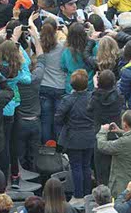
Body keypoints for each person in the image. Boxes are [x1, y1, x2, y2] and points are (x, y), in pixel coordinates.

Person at [55, 70, 94, 207]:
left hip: (73, 138)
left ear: (72, 85)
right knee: (86, 166)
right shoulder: (92, 98)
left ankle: (78, 195)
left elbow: (58, 118)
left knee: (76, 167)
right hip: (89, 136)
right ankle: (88, 194)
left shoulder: (68, 100)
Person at [96, 110, 131, 196]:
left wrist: (102, 131)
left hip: (121, 186)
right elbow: (130, 138)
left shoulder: (123, 143)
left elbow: (102, 146)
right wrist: (120, 131)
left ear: (125, 124)